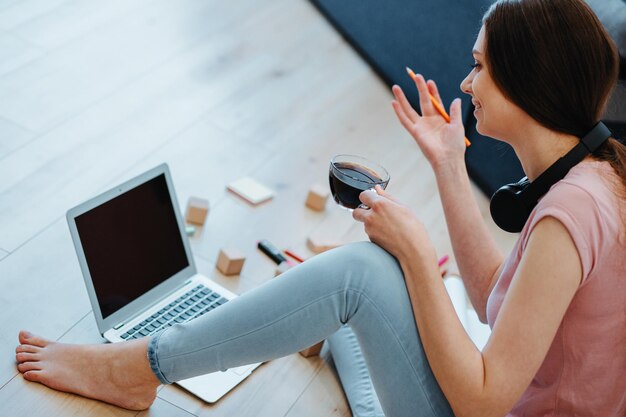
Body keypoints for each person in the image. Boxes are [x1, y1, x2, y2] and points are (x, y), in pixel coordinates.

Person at [14, 0, 626, 415]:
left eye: (478, 65)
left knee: (361, 276)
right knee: (356, 293)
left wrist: (415, 251)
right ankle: (316, 329)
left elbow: (483, 400)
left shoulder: (569, 213)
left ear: (528, 82)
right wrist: (446, 164)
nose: (466, 84)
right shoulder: (590, 181)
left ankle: (135, 370)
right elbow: (501, 300)